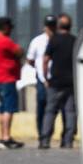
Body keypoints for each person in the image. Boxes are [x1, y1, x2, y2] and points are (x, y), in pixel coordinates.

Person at [41, 14, 77, 149]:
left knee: (50, 111)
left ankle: (45, 140)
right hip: (71, 82)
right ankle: (68, 141)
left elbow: (45, 60)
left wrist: (45, 77)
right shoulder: (75, 40)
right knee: (70, 112)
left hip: (55, 82)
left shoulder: (54, 40)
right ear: (70, 26)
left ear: (58, 26)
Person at [0, 16, 25, 150]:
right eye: (10, 26)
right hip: (7, 79)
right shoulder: (4, 40)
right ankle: (6, 137)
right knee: (9, 109)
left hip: (0, 78)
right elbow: (19, 51)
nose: (11, 29)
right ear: (5, 26)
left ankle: (2, 136)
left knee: (3, 108)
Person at [26, 15, 56, 148]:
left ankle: (49, 135)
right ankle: (42, 135)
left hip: (56, 79)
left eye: (53, 26)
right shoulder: (37, 41)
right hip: (42, 79)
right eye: (49, 26)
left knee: (54, 109)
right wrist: (39, 70)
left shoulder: (58, 40)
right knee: (42, 108)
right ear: (45, 26)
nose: (51, 29)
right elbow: (30, 60)